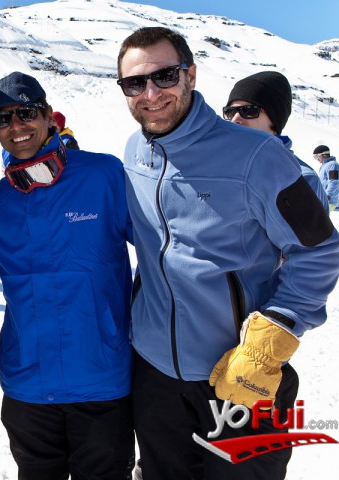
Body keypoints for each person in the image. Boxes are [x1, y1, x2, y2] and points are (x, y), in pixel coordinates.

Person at [116, 26, 339, 480]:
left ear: (190, 75)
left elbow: (320, 247)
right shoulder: (135, 151)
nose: (151, 93)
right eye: (135, 83)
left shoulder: (258, 156)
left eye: (164, 76)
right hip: (155, 376)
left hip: (239, 376)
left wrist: (274, 331)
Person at [0, 71, 134, 479]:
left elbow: (164, 250)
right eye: (2, 119)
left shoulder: (104, 175)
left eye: (26, 112)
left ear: (49, 116)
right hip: (27, 384)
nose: (16, 126)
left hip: (100, 380)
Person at [224, 71, 329, 212]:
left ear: (274, 121)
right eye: (230, 112)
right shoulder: (217, 167)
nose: (235, 119)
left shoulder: (299, 179)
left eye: (248, 110)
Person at [313, 145, 339, 210]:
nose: (317, 159)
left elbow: (334, 182)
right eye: (315, 157)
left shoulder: (332, 165)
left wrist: (327, 196)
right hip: (324, 199)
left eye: (317, 156)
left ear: (324, 155)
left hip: (329, 200)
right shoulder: (324, 166)